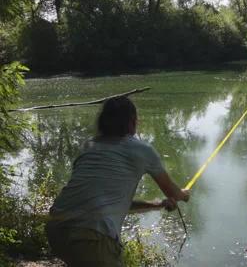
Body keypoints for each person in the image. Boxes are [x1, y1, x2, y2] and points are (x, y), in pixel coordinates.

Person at [44, 95, 189, 267]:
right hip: (92, 238)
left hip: (56, 229)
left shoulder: (89, 145)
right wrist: (183, 195)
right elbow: (173, 192)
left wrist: (157, 204)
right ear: (134, 123)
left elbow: (104, 200)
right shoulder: (143, 150)